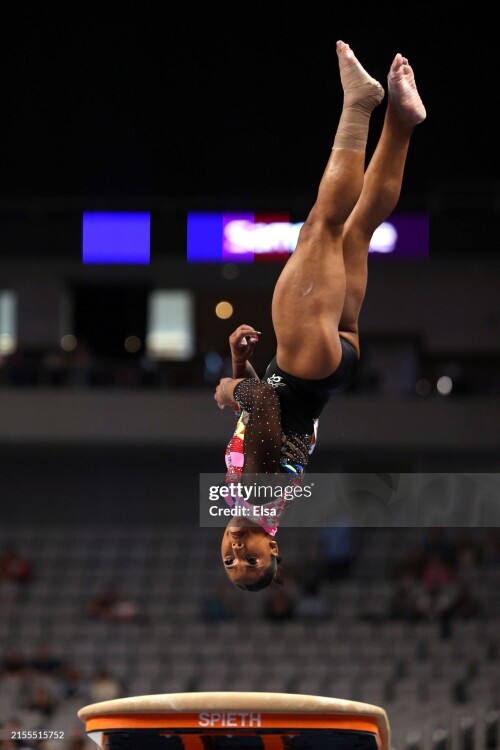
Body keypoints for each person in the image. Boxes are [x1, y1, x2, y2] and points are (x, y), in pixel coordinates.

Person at [216, 40, 426, 591]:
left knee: (356, 231)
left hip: (328, 370)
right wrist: (230, 387)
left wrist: (243, 363)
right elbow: (261, 403)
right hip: (306, 366)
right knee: (321, 227)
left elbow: (274, 417)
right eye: (253, 561)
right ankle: (360, 104)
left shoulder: (257, 502)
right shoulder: (256, 500)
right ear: (273, 547)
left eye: (230, 562)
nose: (238, 553)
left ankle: (401, 122)